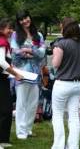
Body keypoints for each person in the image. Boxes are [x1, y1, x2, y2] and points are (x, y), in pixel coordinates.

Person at [51, 18, 80, 149]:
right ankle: (73, 146)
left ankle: (59, 146)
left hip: (62, 83)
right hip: (77, 84)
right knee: (74, 116)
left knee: (58, 115)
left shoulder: (61, 44)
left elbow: (55, 64)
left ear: (65, 28)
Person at [10, 10, 46, 139]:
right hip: (21, 73)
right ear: (19, 22)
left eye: (26, 17)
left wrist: (28, 50)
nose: (25, 21)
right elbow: (14, 52)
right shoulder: (15, 35)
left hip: (35, 73)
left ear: (30, 17)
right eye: (22, 19)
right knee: (21, 103)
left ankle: (28, 129)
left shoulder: (38, 35)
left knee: (33, 103)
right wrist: (30, 53)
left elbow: (42, 53)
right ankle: (21, 131)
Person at [0, 18, 23, 148]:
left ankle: (3, 139)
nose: (11, 30)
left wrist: (11, 67)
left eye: (12, 28)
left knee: (5, 109)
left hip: (3, 79)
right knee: (5, 109)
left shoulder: (4, 42)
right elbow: (1, 62)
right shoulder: (2, 42)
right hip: (1, 80)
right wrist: (16, 74)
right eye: (9, 28)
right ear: (1, 28)